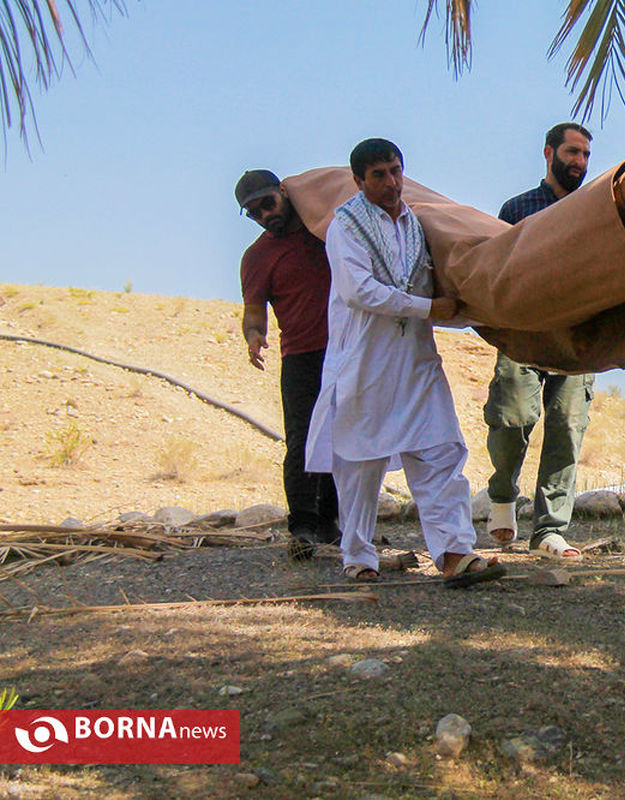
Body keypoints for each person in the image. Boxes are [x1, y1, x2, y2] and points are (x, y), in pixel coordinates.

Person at [305, 138, 504, 587]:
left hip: (416, 359)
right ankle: (357, 555)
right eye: (379, 175)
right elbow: (360, 291)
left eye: (396, 170)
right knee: (360, 461)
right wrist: (428, 308)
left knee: (441, 449)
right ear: (358, 181)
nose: (392, 182)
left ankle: (455, 552)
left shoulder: (416, 224)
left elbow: (437, 283)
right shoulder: (346, 227)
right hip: (365, 362)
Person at [484, 122, 595, 560]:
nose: (580, 162)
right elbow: (492, 270)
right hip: (522, 334)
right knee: (511, 419)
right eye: (572, 152)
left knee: (568, 427)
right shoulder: (517, 208)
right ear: (548, 152)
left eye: (585, 154)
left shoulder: (596, 210)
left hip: (578, 339)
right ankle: (502, 492)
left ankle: (549, 530)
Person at [236, 169, 340, 560]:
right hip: (299, 355)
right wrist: (253, 335)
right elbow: (253, 311)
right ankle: (302, 526)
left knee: (343, 437)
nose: (264, 214)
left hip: (346, 351)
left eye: (267, 203)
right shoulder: (257, 257)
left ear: (283, 193)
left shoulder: (325, 230)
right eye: (253, 212)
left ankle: (333, 523)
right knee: (301, 440)